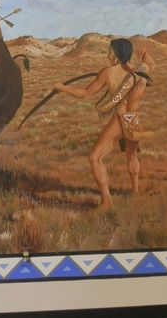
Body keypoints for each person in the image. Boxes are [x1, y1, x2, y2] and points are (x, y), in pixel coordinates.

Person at [53, 38, 155, 209]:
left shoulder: (108, 72)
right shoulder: (140, 70)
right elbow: (151, 64)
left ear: (116, 54)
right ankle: (135, 191)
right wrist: (144, 55)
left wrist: (62, 88)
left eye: (110, 51)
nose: (107, 55)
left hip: (119, 119)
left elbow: (85, 93)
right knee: (132, 156)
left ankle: (107, 201)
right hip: (133, 119)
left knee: (94, 158)